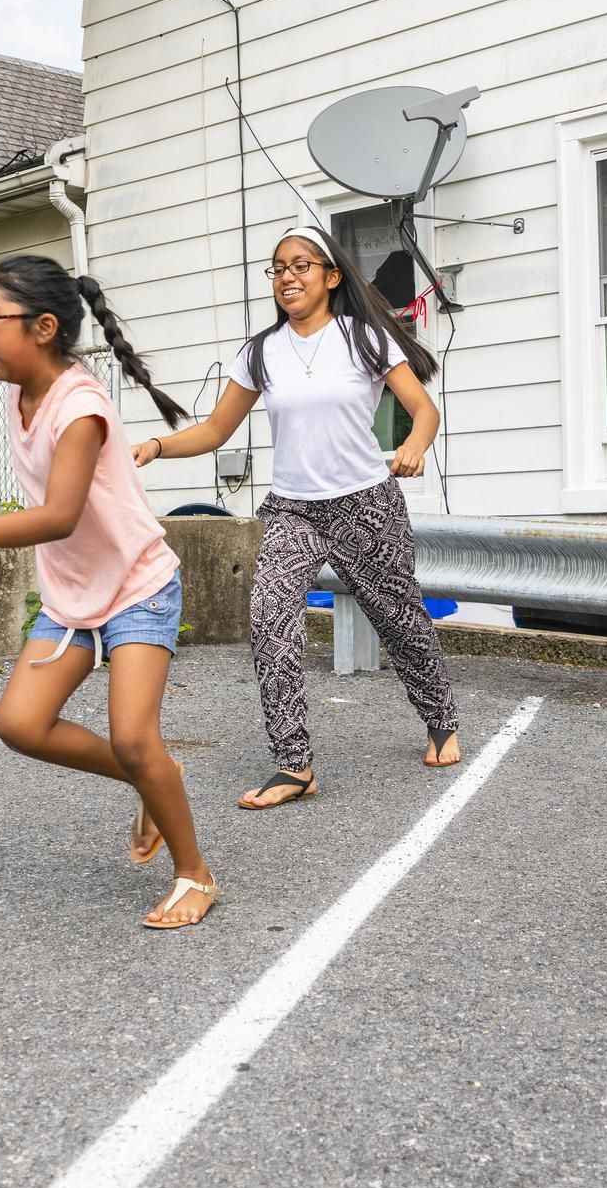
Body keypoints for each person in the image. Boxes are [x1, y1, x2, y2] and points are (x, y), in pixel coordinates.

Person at [0, 256, 221, 929]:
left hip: (137, 586)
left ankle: (194, 874)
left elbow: (60, 514)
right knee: (20, 724)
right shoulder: (18, 392)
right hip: (71, 594)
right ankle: (147, 777)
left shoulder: (80, 408)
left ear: (42, 326)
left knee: (132, 735)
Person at [133, 224, 459, 809]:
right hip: (291, 509)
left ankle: (440, 719)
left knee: (401, 620)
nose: (288, 276)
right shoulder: (260, 352)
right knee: (268, 618)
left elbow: (423, 408)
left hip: (364, 501)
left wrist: (415, 444)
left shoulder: (364, 338)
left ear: (332, 277)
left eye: (302, 265)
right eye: (279, 267)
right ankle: (293, 763)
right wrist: (156, 447)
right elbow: (214, 429)